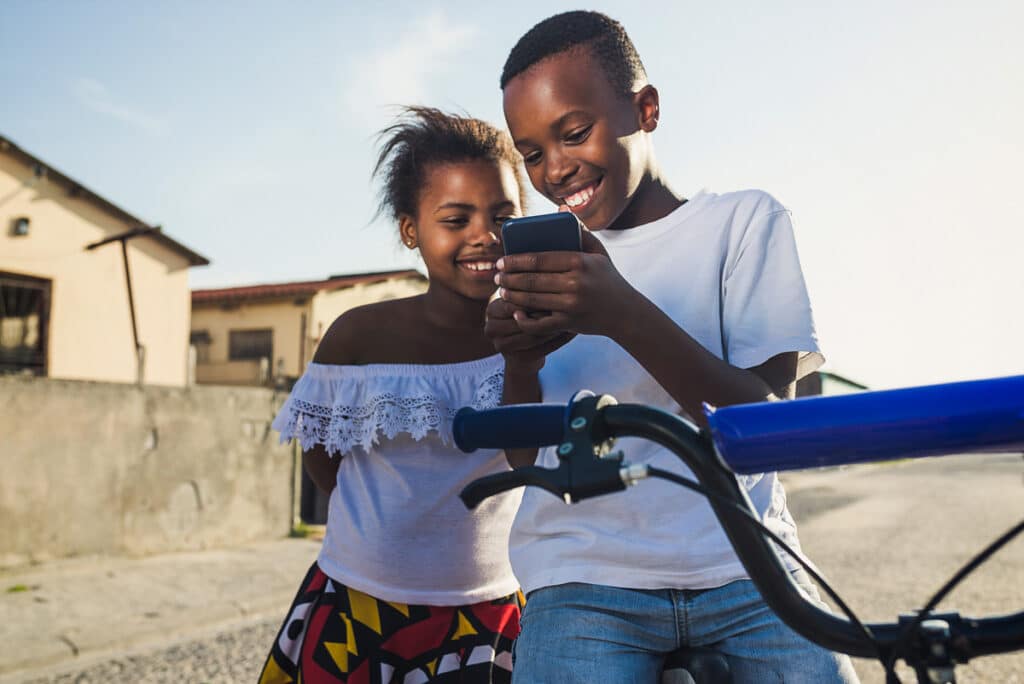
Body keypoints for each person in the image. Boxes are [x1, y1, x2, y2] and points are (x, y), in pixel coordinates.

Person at [486, 11, 860, 683]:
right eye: (533, 153)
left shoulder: (742, 223)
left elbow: (765, 426)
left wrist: (621, 312)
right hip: (583, 579)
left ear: (646, 109)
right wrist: (520, 359)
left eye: (574, 133)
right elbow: (524, 455)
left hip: (747, 565)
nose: (557, 168)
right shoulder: (540, 267)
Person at [259, 107, 529, 684]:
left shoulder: (542, 332)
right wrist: (382, 534)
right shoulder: (359, 335)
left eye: (503, 215)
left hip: (493, 607)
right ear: (411, 230)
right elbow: (321, 457)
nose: (484, 234)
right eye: (455, 219)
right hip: (358, 604)